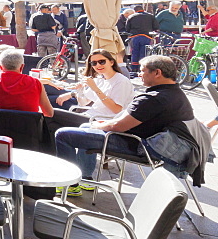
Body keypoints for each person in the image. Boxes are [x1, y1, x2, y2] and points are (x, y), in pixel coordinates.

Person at [55, 55, 195, 194]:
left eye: (142, 71)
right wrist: (103, 123)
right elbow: (122, 120)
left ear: (157, 73)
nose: (139, 74)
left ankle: (70, 185)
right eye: (94, 63)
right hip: (156, 144)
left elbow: (118, 125)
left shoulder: (153, 98)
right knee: (85, 128)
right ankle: (84, 178)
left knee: (62, 134)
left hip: (141, 146)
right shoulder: (176, 93)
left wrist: (98, 125)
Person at [46, 49, 135, 140]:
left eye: (102, 62)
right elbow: (83, 103)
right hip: (89, 115)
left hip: (102, 120)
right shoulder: (100, 78)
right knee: (52, 126)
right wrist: (80, 90)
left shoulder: (121, 81)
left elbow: (117, 109)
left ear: (111, 62)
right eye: (94, 63)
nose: (98, 65)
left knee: (51, 114)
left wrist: (95, 89)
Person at [0, 50, 53, 117]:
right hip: (27, 131)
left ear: (0, 66)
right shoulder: (35, 83)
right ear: (22, 67)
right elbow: (49, 113)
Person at [126, 5, 157, 74]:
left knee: (134, 52)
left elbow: (127, 28)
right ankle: (142, 68)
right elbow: (156, 26)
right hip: (147, 36)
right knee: (144, 52)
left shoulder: (131, 17)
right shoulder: (150, 16)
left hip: (135, 37)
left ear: (135, 10)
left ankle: (134, 69)